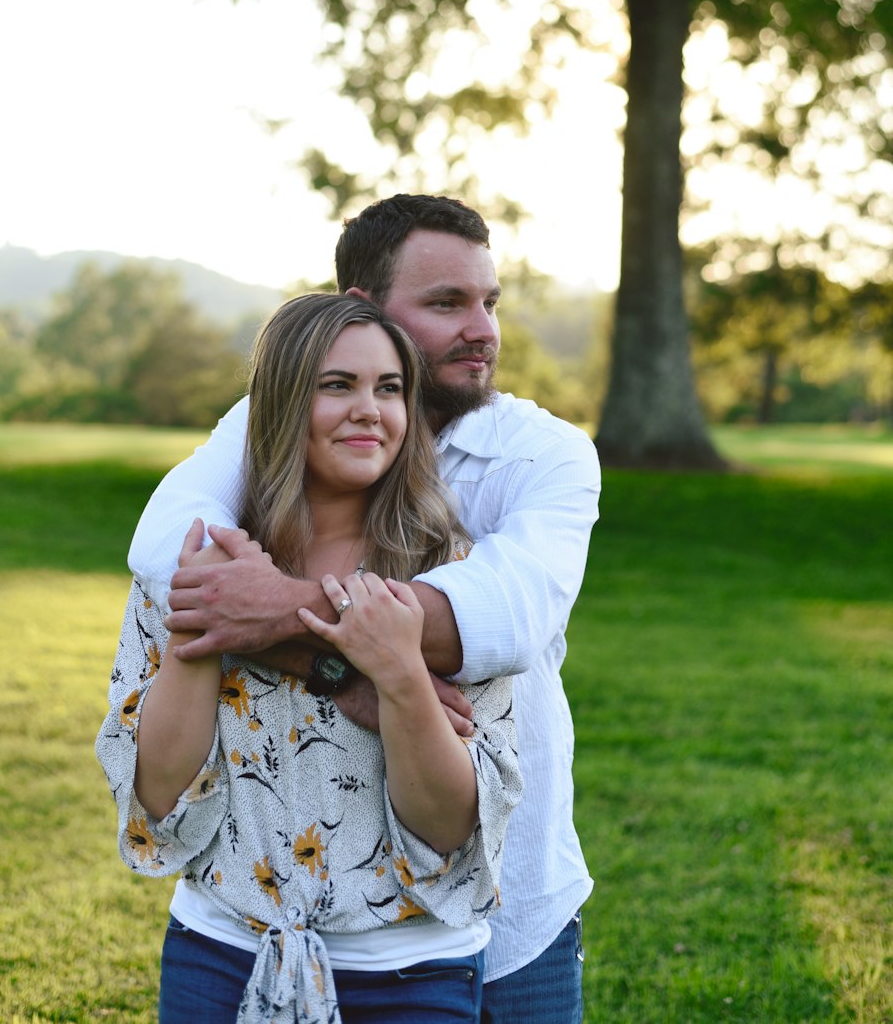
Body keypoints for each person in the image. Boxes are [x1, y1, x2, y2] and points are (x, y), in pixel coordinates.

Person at [128, 195, 601, 1023]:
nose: (482, 328)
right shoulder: (269, 424)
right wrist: (348, 665)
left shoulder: (544, 453)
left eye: (489, 301)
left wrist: (323, 644)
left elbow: (499, 624)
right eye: (446, 303)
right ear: (357, 306)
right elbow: (168, 551)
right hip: (249, 929)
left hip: (509, 892)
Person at [97, 293, 522, 1023]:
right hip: (220, 957)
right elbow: (161, 797)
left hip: (409, 977)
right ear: (284, 401)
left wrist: (395, 673)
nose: (370, 409)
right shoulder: (200, 558)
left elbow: (450, 829)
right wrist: (210, 624)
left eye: (389, 388)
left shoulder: (449, 583)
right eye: (338, 386)